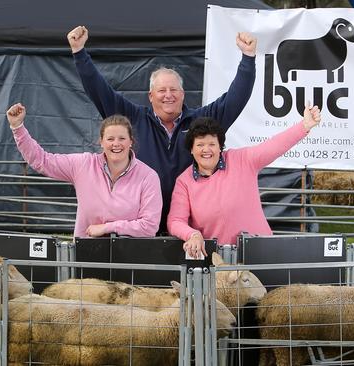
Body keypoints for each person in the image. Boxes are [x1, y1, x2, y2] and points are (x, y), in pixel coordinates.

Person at [67, 25, 257, 232]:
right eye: (162, 90)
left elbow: (235, 100)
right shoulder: (134, 119)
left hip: (189, 227)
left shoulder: (202, 122)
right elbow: (100, 91)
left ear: (183, 94)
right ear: (150, 96)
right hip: (140, 225)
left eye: (174, 89)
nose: (168, 95)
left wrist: (248, 58)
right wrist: (79, 53)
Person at [168, 104, 322, 259]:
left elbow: (273, 146)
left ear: (220, 147)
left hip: (260, 251)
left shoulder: (242, 159)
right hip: (218, 259)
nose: (206, 150)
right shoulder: (184, 182)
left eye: (212, 144)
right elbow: (175, 221)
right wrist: (192, 234)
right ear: (191, 149)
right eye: (200, 145)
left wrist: (304, 126)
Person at [6, 103, 162, 238]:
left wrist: (108, 227)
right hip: (86, 253)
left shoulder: (148, 176)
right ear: (101, 142)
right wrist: (17, 127)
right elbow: (42, 161)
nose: (116, 144)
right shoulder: (83, 164)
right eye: (110, 139)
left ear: (131, 142)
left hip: (129, 257)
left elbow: (149, 226)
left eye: (122, 138)